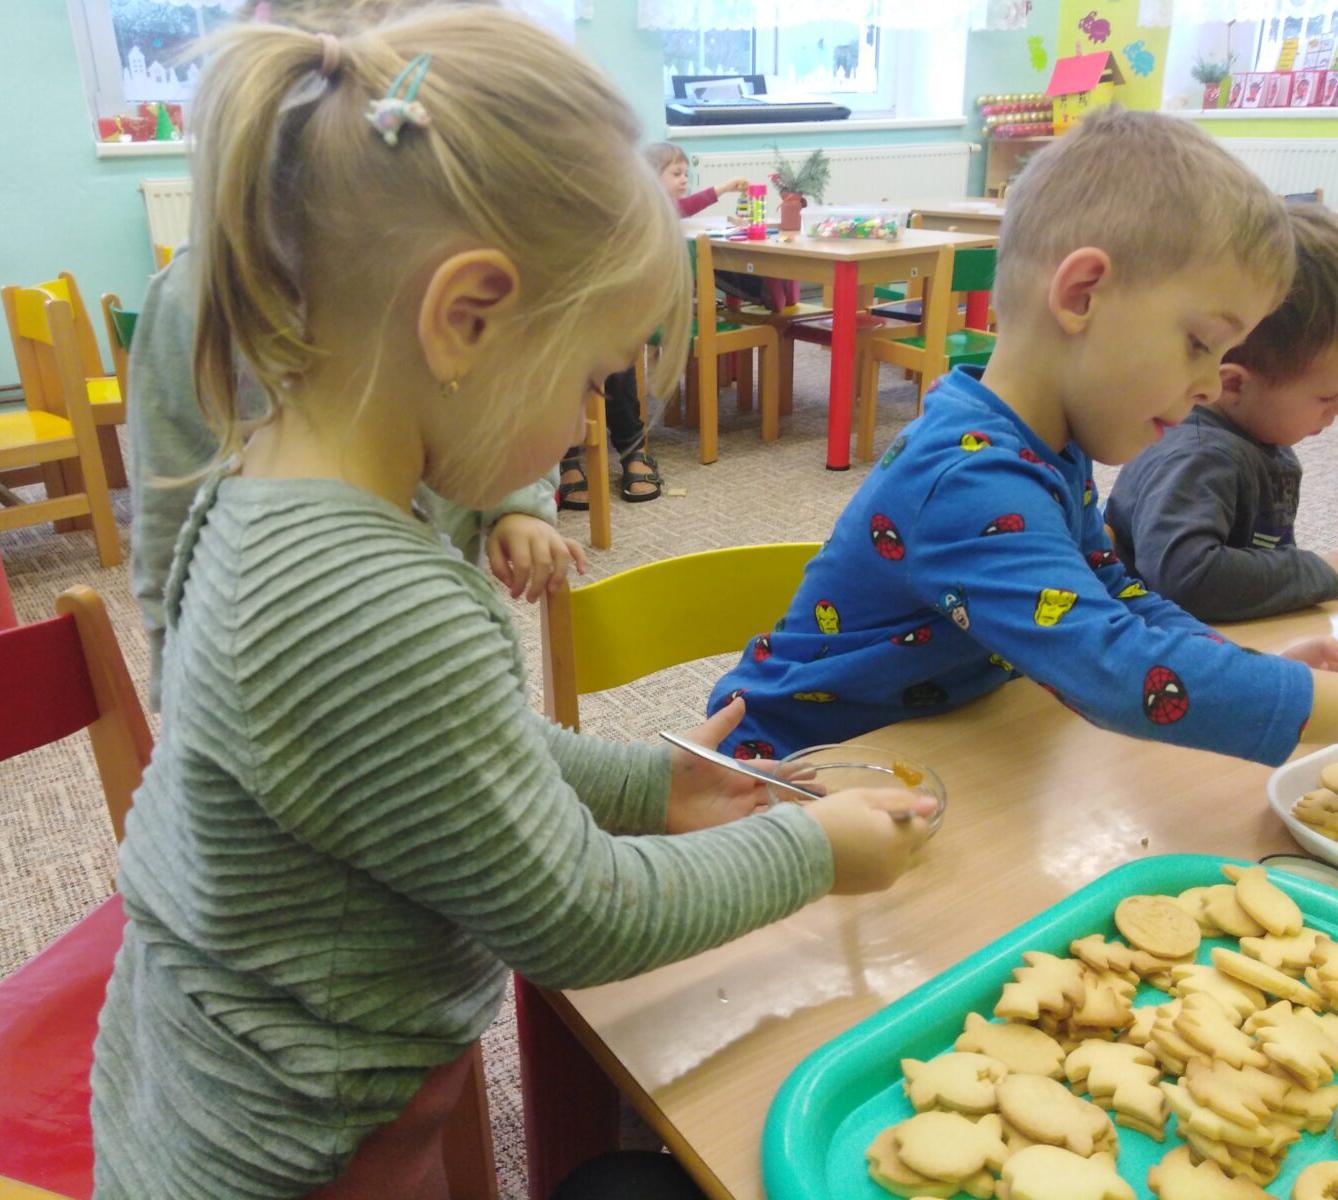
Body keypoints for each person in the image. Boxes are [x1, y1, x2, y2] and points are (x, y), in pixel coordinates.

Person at [90, 10, 935, 1199]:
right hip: (295, 1141)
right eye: (591, 376)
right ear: (466, 318)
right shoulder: (365, 598)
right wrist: (806, 849)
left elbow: (454, 751)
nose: (582, 423)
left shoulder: (277, 494)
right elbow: (577, 917)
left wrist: (653, 786)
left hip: (266, 1066)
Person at [707, 108, 1338, 765]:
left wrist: (1252, 670)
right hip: (785, 770)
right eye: (1200, 344)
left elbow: (1114, 594)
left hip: (922, 747)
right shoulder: (969, 477)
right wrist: (1306, 702)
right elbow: (1112, 667)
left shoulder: (1046, 447)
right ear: (1083, 294)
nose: (1212, 385)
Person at [129, 0, 580, 712]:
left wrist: (517, 506)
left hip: (418, 605)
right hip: (283, 663)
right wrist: (178, 664)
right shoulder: (201, 295)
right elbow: (168, 505)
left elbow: (503, 394)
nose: (583, 420)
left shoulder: (455, 265)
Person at [1105, 203, 1338, 621]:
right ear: (1232, 384)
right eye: (1327, 398)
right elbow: (1187, 578)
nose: (1335, 414)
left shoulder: (1258, 431)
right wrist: (1320, 569)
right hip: (1160, 646)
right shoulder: (1199, 456)